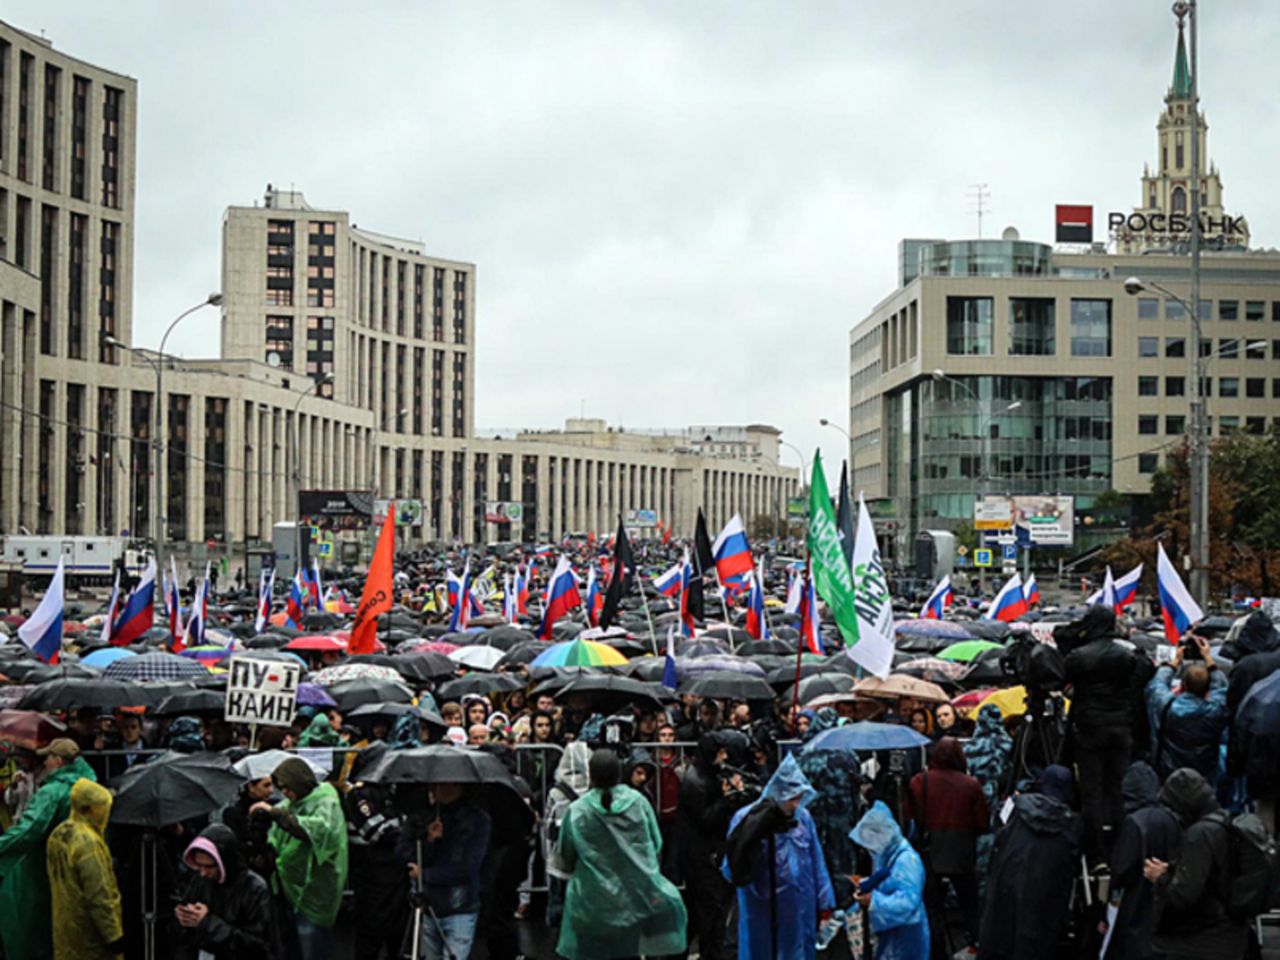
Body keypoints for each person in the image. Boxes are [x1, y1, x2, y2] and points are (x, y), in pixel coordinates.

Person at [557, 749, 687, 959]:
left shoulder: (578, 810)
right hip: (633, 897)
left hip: (591, 900)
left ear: (591, 774)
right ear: (620, 773)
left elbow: (566, 853)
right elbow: (656, 843)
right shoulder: (638, 802)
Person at [722, 753, 835, 960]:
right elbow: (732, 867)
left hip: (800, 906)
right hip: (762, 908)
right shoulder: (748, 820)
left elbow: (816, 859)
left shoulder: (803, 819)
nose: (795, 804)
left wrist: (825, 902)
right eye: (792, 799)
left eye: (799, 798)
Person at [0, 738, 98, 960]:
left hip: (45, 869)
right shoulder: (90, 787)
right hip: (83, 867)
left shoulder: (53, 791)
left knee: (31, 928)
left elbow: (28, 831)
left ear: (58, 761)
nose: (44, 762)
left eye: (48, 758)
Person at [1062, 605, 1144, 864]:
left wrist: (1079, 628)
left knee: (1091, 792)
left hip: (1089, 728)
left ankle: (1096, 853)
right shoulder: (1126, 656)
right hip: (1120, 726)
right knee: (1116, 789)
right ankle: (1120, 847)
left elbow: (1062, 642)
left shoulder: (1079, 656)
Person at [978, 765, 1083, 960]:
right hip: (1044, 896)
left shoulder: (1016, 807)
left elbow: (996, 827)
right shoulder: (1072, 824)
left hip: (1006, 886)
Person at [1144, 767, 1249, 959]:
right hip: (1232, 935)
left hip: (1201, 941)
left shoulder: (1199, 835)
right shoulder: (1226, 822)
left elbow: (1183, 896)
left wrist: (1160, 878)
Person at [252, 758, 349, 960]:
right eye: (282, 789)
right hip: (289, 888)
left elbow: (316, 830)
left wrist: (276, 814)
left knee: (313, 947)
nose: (285, 793)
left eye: (287, 788)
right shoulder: (292, 803)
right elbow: (277, 833)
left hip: (316, 888)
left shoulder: (326, 801)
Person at [678, 729, 757, 960]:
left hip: (703, 854)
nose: (724, 759)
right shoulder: (696, 782)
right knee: (709, 913)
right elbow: (706, 819)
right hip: (700, 857)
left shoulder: (705, 776)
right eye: (720, 753)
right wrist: (726, 800)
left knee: (700, 913)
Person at [906, 736, 988, 955]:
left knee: (932, 907)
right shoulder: (971, 785)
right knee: (969, 903)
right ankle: (976, 943)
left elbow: (909, 814)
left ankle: (936, 950)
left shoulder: (918, 781)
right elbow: (982, 822)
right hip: (961, 851)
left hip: (930, 850)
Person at [403, 782, 491, 960]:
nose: (434, 789)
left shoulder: (477, 820)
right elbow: (407, 852)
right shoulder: (424, 817)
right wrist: (429, 840)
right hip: (429, 905)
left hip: (459, 906)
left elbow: (467, 868)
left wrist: (425, 875)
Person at [1103, 762, 1180, 960]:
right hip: (1161, 901)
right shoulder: (1170, 818)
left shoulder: (1134, 822)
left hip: (1135, 901)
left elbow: (1122, 869)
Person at [46, 778, 124, 960]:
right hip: (90, 933)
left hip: (64, 926)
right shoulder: (89, 843)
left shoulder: (59, 832)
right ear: (89, 808)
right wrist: (113, 937)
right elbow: (99, 895)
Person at [172, 824, 274, 960]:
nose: (203, 872)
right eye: (199, 865)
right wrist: (183, 919)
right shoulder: (200, 881)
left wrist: (208, 923)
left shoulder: (254, 888)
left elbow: (259, 946)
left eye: (208, 866)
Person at [848, 800, 930, 960]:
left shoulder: (907, 861)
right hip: (892, 934)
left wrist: (873, 901)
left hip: (907, 935)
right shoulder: (887, 853)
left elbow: (908, 903)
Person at [1144, 635, 1228, 784]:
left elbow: (1157, 685)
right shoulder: (1216, 710)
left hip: (1169, 769)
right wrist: (1208, 659)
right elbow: (1221, 688)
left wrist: (1175, 662)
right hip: (1205, 770)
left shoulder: (1166, 705)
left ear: (1182, 685)